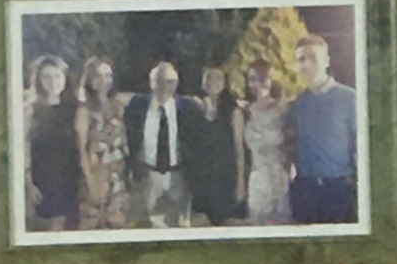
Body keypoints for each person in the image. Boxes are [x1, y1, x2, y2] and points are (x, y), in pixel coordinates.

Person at [286, 31, 360, 224]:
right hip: (305, 190)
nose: (307, 64)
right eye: (301, 59)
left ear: (326, 61)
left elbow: (361, 147)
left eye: (313, 57)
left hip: (338, 190)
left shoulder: (350, 99)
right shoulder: (298, 103)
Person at [124, 57, 199, 228]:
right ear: (151, 83)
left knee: (182, 225)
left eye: (170, 82)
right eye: (159, 81)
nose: (164, 87)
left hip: (178, 174)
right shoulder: (137, 105)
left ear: (176, 84)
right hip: (148, 174)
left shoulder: (188, 108)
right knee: (149, 225)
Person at [22, 55, 80, 229]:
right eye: (46, 77)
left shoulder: (74, 108)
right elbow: (23, 147)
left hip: (72, 177)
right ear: (38, 80)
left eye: (57, 76)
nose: (53, 82)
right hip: (45, 178)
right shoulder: (30, 110)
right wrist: (28, 183)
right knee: (54, 226)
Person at [74, 54, 130, 229]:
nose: (104, 80)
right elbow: (81, 150)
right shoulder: (84, 111)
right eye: (98, 75)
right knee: (93, 225)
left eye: (108, 75)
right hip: (96, 176)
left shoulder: (117, 106)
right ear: (90, 79)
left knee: (117, 225)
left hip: (117, 177)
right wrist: (91, 184)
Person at [189, 62, 245, 224]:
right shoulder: (196, 108)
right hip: (203, 176)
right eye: (208, 77)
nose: (212, 81)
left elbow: (238, 149)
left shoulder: (233, 111)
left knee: (222, 221)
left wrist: (240, 183)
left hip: (224, 177)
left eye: (217, 77)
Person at [239, 54, 293, 223]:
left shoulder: (283, 110)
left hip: (279, 178)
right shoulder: (245, 110)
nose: (257, 84)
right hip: (256, 179)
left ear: (271, 81)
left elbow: (292, 144)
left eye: (263, 79)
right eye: (253, 79)